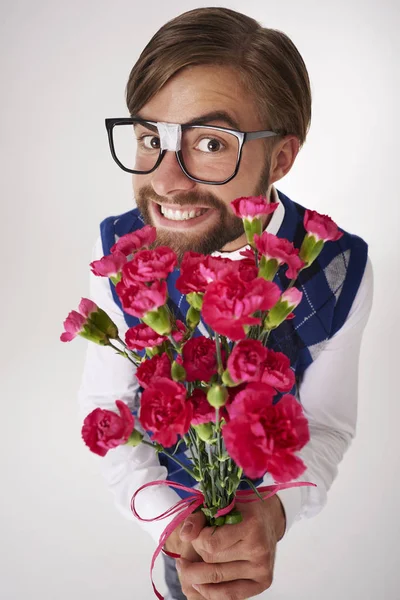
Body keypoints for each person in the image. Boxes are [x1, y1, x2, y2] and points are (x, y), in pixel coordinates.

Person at [78, 7, 373, 600]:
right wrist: (171, 523)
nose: (165, 181)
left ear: (282, 158)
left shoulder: (340, 266)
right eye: (148, 137)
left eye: (211, 143)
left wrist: (275, 515)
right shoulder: (118, 246)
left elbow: (327, 425)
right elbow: (108, 405)